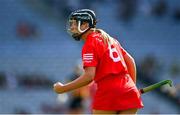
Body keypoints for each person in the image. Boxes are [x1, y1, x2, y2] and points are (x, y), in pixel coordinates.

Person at [53, 9, 143, 114]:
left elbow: (89, 76)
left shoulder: (90, 44)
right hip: (129, 90)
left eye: (74, 24)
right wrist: (132, 88)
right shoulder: (110, 39)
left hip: (108, 93)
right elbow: (131, 61)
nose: (71, 27)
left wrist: (63, 88)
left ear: (85, 25)